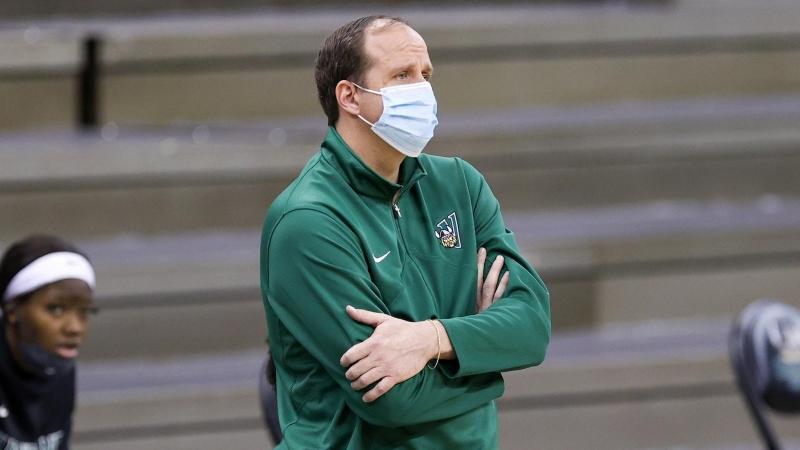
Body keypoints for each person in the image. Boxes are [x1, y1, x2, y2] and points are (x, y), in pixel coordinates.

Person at [260, 15, 551, 449]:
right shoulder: (308, 221)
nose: (423, 90)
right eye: (402, 75)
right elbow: (392, 400)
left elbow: (532, 326)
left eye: (426, 75)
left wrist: (431, 339)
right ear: (350, 96)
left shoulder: (460, 185)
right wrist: (485, 350)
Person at [0, 235, 97, 449]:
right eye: (55, 309)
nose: (75, 328)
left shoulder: (58, 365)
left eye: (85, 311)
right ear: (13, 310)